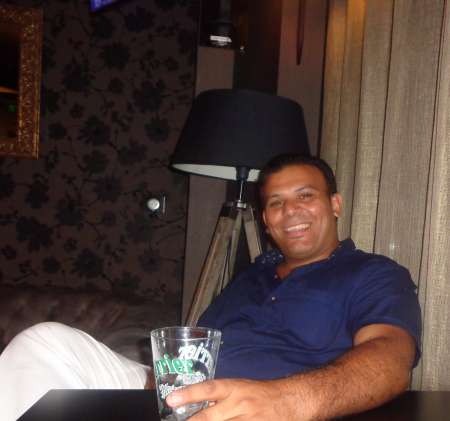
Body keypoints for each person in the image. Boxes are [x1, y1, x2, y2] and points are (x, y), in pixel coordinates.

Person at [0, 154, 421, 421]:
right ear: (266, 220)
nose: (290, 211)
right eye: (275, 203)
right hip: (183, 395)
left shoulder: (373, 273)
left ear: (335, 204)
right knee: (45, 341)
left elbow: (389, 360)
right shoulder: (253, 274)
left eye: (305, 196)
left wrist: (286, 401)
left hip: (262, 409)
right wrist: (159, 382)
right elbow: (196, 349)